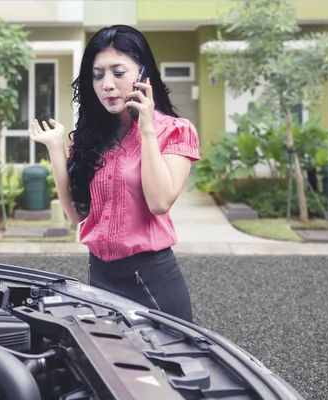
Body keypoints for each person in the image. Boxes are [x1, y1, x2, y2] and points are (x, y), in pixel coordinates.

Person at [28, 24, 200, 323]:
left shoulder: (173, 131)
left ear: (143, 75)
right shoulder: (90, 138)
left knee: (164, 368)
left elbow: (160, 202)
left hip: (150, 279)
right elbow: (76, 214)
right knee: (113, 366)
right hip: (100, 275)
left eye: (118, 72)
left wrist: (146, 126)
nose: (107, 84)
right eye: (97, 75)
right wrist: (56, 148)